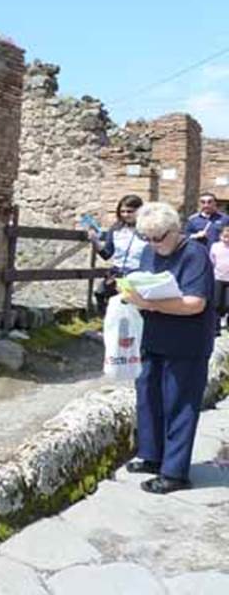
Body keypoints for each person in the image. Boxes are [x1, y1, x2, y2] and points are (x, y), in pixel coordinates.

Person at [123, 201, 215, 494]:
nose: (152, 244)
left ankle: (175, 473)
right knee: (147, 398)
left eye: (158, 238)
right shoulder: (150, 252)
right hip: (153, 338)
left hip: (186, 343)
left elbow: (194, 303)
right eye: (146, 238)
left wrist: (149, 303)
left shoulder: (194, 255)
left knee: (179, 405)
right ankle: (152, 456)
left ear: (175, 231)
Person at [86, 194, 147, 314]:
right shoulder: (116, 229)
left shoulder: (147, 229)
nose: (125, 215)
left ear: (140, 211)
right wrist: (95, 241)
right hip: (117, 273)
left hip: (137, 274)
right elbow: (106, 254)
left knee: (129, 305)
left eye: (130, 211)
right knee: (101, 295)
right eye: (122, 211)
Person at [211, 224, 229, 332]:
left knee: (228, 304)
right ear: (220, 236)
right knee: (216, 304)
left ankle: (225, 320)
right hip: (218, 277)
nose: (226, 239)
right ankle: (215, 326)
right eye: (224, 236)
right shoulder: (215, 246)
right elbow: (212, 260)